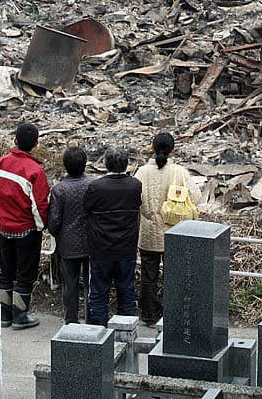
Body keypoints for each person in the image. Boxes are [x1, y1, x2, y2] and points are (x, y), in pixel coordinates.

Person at [0, 122, 50, 330]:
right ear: (36, 144)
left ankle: (4, 315)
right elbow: (40, 205)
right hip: (27, 231)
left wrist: (3, 213)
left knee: (6, 272)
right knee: (25, 273)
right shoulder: (36, 171)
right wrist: (42, 227)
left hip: (5, 228)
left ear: (15, 140)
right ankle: (20, 316)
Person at [134, 132, 201, 326]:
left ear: (153, 148)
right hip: (174, 232)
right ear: (173, 150)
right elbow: (196, 197)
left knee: (148, 277)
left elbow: (133, 196)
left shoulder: (142, 172)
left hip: (147, 233)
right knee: (174, 276)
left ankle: (149, 315)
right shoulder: (179, 172)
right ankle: (173, 314)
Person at [83, 146, 142, 327]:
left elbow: (86, 207)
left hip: (101, 248)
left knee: (99, 293)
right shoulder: (135, 185)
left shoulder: (95, 187)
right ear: (126, 164)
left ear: (106, 164)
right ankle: (126, 333)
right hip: (126, 247)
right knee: (126, 291)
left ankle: (99, 334)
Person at [48, 145, 90, 324]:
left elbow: (54, 221)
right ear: (85, 164)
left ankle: (71, 320)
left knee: (70, 284)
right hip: (91, 241)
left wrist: (55, 233)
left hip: (67, 243)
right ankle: (92, 318)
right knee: (91, 283)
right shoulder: (92, 185)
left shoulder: (59, 189)